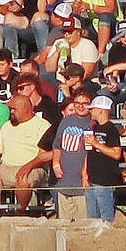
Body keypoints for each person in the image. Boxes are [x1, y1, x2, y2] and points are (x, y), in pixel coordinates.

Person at [0, 94, 52, 210]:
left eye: (14, 109)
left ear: (25, 109)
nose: (11, 112)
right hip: (6, 167)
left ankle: (21, 210)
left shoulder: (42, 125)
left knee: (23, 180)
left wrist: (27, 167)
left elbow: (46, 155)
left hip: (33, 168)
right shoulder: (7, 126)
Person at [52, 91, 93, 220]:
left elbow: (90, 152)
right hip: (64, 182)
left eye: (84, 103)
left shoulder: (92, 123)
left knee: (84, 225)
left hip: (83, 185)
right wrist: (56, 164)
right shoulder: (66, 121)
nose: (80, 106)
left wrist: (85, 174)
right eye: (77, 103)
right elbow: (57, 145)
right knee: (64, 226)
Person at [84, 96, 122, 221]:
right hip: (92, 178)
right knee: (92, 218)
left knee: (106, 217)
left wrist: (96, 143)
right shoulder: (94, 128)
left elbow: (116, 154)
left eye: (93, 109)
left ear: (100, 110)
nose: (90, 112)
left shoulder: (111, 129)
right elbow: (88, 153)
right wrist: (84, 173)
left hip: (105, 179)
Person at [44, 13, 100, 82]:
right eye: (64, 31)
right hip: (61, 80)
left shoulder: (88, 45)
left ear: (78, 32)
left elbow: (86, 73)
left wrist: (68, 85)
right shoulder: (59, 42)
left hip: (84, 82)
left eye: (70, 31)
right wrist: (57, 52)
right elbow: (49, 69)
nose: (66, 34)